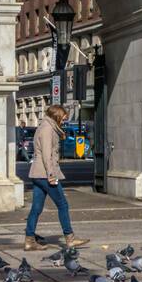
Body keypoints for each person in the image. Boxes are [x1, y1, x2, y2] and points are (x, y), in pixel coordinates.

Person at [25, 105, 88, 250]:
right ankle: (70, 238)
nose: (65, 119)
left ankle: (29, 240)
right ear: (57, 115)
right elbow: (47, 156)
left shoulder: (46, 126)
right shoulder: (47, 129)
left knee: (36, 208)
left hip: (38, 174)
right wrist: (51, 175)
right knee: (63, 205)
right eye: (64, 117)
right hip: (45, 174)